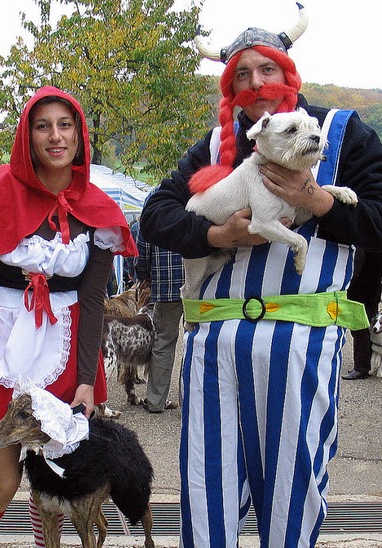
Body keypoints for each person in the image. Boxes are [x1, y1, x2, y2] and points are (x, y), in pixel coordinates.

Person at [140, 6, 382, 547]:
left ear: (288, 73)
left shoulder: (342, 134)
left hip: (300, 343)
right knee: (208, 489)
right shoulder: (213, 147)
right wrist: (216, 237)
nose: (255, 84)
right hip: (215, 346)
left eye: (265, 70)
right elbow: (155, 215)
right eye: (241, 75)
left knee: (292, 491)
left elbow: (378, 219)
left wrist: (317, 202)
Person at [0, 86, 137, 548]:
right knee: (3, 483)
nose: (56, 136)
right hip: (0, 348)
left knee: (50, 481)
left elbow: (93, 302)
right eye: (43, 125)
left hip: (65, 348)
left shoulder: (98, 212)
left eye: (65, 125)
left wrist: (88, 378)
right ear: (27, 136)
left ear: (79, 135)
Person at [135, 224, 184, 413]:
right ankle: (190, 402)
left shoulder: (157, 198)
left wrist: (143, 274)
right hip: (198, 284)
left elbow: (144, 241)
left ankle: (155, 401)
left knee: (163, 343)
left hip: (166, 284)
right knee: (194, 343)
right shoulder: (201, 197)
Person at [342, 249, 382, 380]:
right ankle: (368, 365)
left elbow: (356, 269)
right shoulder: (375, 235)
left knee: (359, 330)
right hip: (372, 291)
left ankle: (361, 368)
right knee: (369, 329)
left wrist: (346, 286)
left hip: (360, 293)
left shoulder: (363, 240)